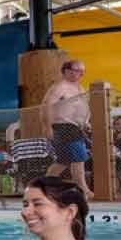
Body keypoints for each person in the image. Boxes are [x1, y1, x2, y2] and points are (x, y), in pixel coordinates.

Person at [42, 59, 93, 199]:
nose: (81, 74)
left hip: (76, 127)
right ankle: (84, 190)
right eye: (77, 70)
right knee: (79, 158)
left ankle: (45, 186)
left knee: (63, 161)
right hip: (63, 127)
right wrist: (47, 127)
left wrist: (85, 122)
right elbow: (47, 106)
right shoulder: (60, 87)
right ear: (66, 70)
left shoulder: (80, 88)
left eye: (82, 71)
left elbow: (80, 108)